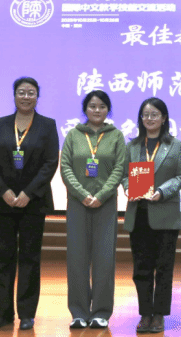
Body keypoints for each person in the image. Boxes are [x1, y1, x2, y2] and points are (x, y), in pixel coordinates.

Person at [0, 77, 59, 331]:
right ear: (14, 95)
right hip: (2, 202)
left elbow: (50, 163)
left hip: (33, 203)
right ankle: (2, 313)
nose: (26, 97)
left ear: (38, 96)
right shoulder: (0, 124)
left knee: (29, 258)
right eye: (21, 92)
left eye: (31, 93)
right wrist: (3, 190)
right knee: (3, 258)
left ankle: (27, 313)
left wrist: (29, 192)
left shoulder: (47, 125)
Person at [60, 90, 126, 329]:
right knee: (77, 259)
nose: (97, 110)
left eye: (102, 106)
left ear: (108, 110)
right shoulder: (73, 135)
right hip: (77, 204)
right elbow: (65, 167)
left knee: (104, 260)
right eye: (92, 106)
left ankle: (101, 312)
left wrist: (101, 195)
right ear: (85, 109)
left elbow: (120, 168)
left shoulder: (116, 136)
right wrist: (82, 194)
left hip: (106, 205)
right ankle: (78, 312)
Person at [122, 98, 181, 334]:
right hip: (139, 213)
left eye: (154, 114)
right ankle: (145, 314)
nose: (149, 119)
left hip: (165, 213)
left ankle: (159, 314)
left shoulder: (175, 145)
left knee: (163, 268)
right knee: (141, 268)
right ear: (141, 119)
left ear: (164, 118)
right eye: (145, 115)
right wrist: (127, 188)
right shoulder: (132, 146)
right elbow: (124, 175)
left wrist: (161, 191)